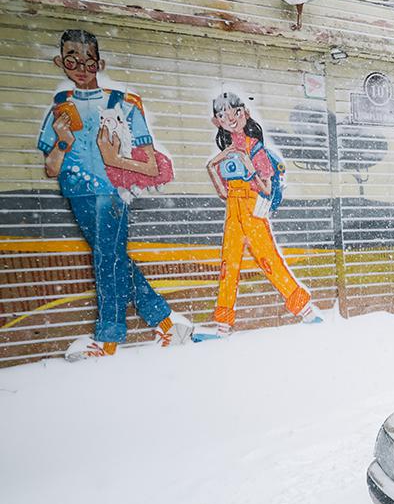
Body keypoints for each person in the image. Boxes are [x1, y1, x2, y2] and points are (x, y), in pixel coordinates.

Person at [38, 28, 191, 361]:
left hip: (112, 193)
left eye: (88, 61)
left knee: (106, 260)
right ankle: (165, 321)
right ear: (59, 62)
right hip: (78, 193)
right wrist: (63, 139)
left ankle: (108, 338)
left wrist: (112, 158)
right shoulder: (60, 110)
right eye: (71, 59)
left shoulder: (122, 104)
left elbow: (150, 166)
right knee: (115, 260)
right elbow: (51, 167)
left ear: (100, 63)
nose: (80, 67)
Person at [196, 91, 320, 339]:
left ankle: (307, 312)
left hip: (252, 208)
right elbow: (223, 192)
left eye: (235, 112)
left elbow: (265, 188)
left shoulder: (256, 149)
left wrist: (249, 167)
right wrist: (213, 165)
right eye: (222, 114)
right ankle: (222, 327)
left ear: (245, 113)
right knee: (227, 267)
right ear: (217, 121)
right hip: (233, 209)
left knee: (269, 261)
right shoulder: (227, 152)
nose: (229, 118)